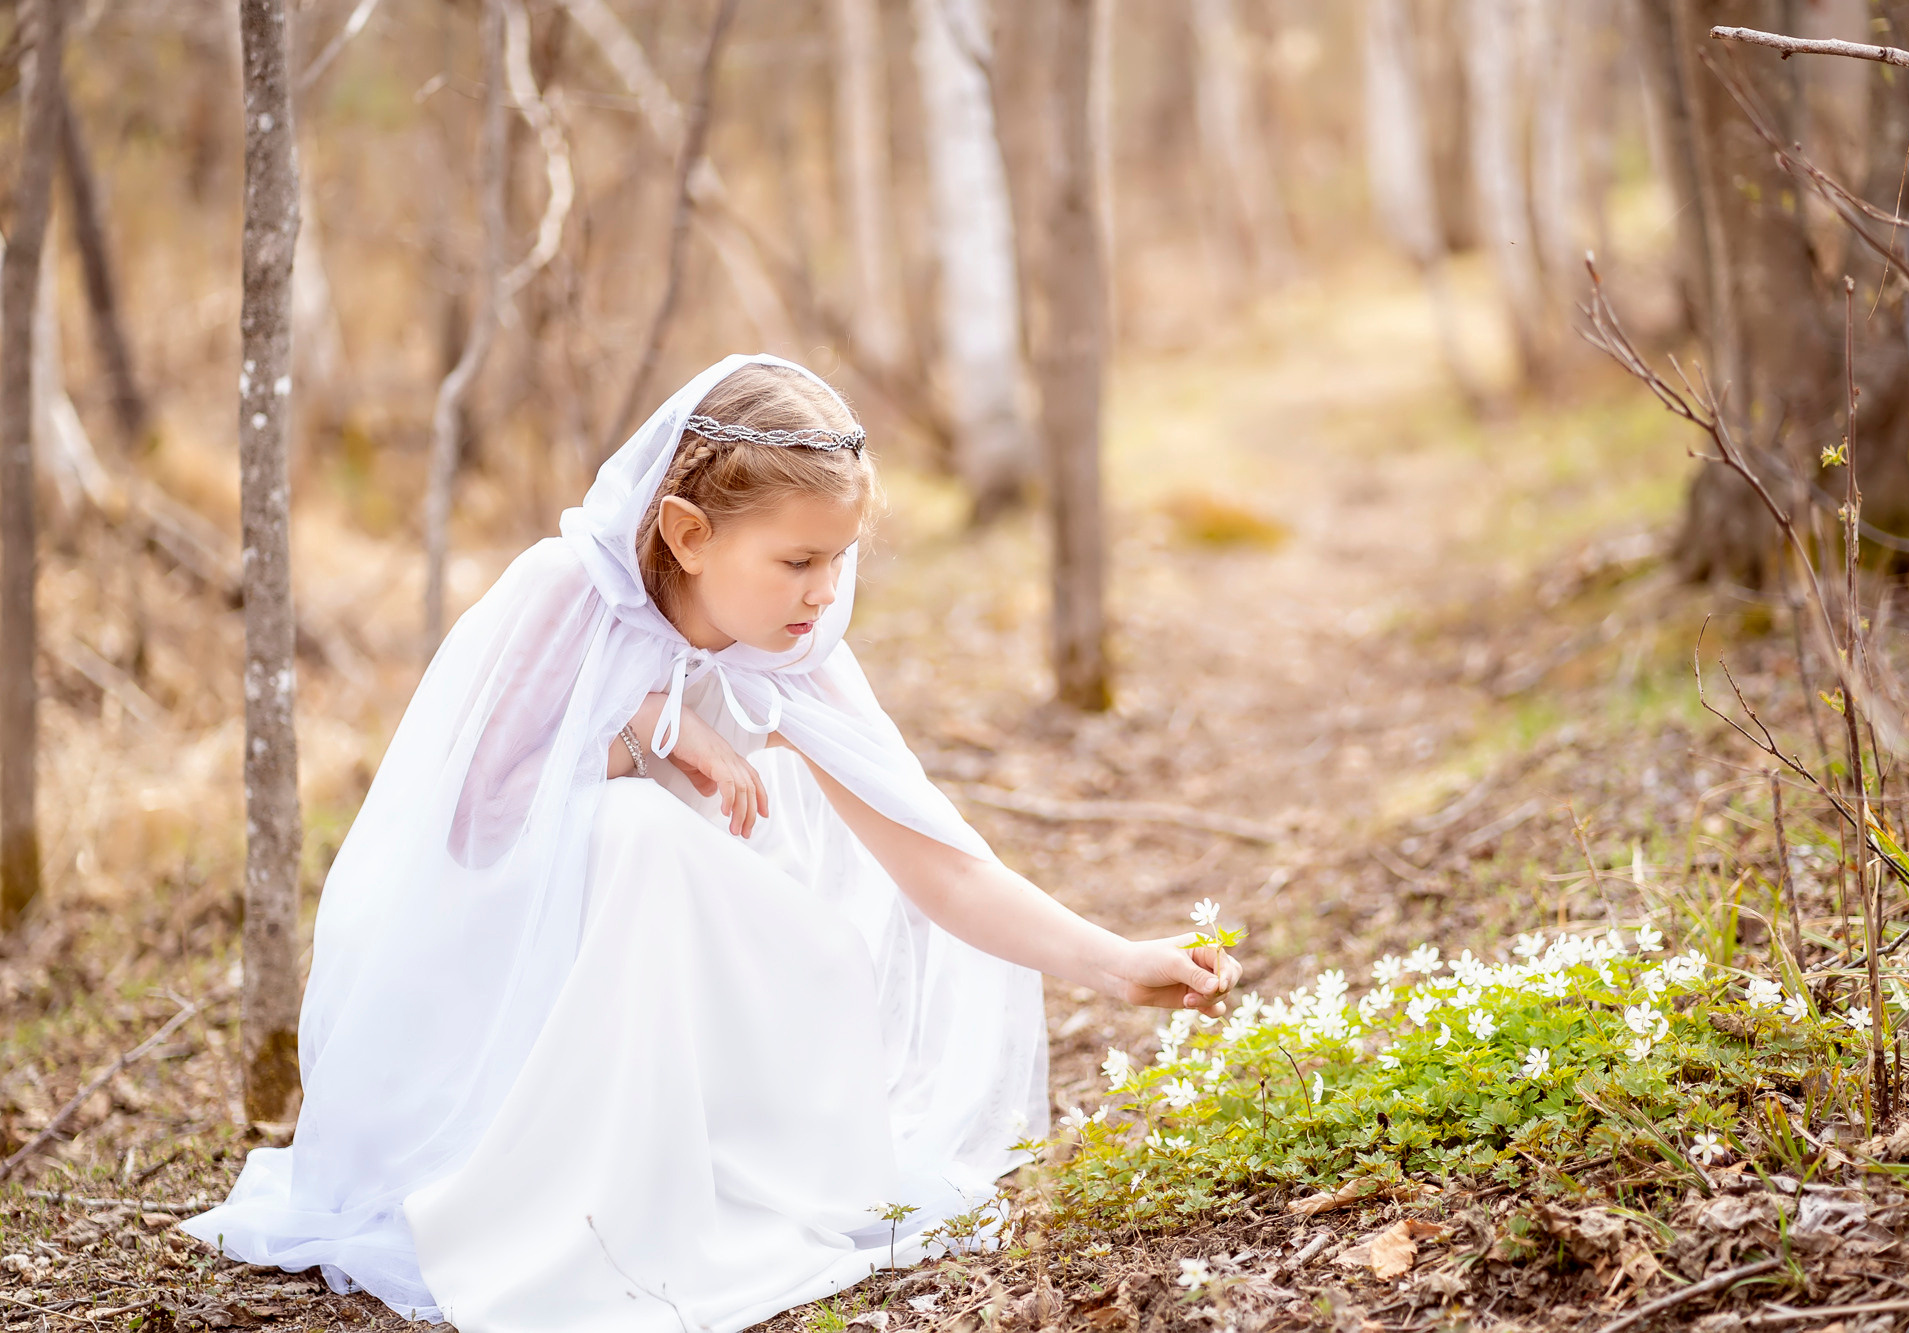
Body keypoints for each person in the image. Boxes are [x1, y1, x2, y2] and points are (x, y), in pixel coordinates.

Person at [185, 355, 1240, 1330]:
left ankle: (718, 1170)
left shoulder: (793, 657)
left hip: (686, 1001)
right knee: (640, 827)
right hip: (518, 993)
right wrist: (650, 723)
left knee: (813, 942)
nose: (823, 593)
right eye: (796, 561)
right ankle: (580, 1194)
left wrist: (1116, 961)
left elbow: (939, 863)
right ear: (688, 534)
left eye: (838, 560)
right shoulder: (567, 599)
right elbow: (475, 822)